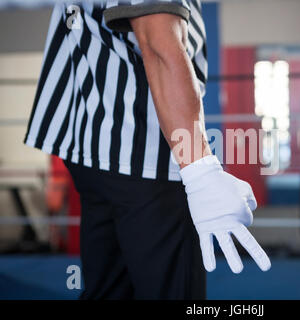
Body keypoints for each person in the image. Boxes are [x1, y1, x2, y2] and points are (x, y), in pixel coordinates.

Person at [24, 0, 270, 300]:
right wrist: (200, 169)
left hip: (94, 145)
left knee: (111, 292)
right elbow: (158, 43)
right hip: (145, 154)